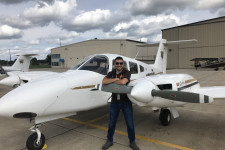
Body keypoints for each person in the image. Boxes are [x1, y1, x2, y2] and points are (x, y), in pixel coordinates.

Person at [102, 56, 140, 150]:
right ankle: (109, 140)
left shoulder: (127, 72)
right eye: (117, 63)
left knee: (130, 123)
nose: (119, 65)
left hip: (126, 102)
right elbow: (104, 81)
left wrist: (112, 81)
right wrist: (114, 79)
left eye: (121, 63)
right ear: (114, 64)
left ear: (123, 64)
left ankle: (132, 142)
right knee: (111, 123)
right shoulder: (111, 73)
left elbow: (123, 82)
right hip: (114, 101)